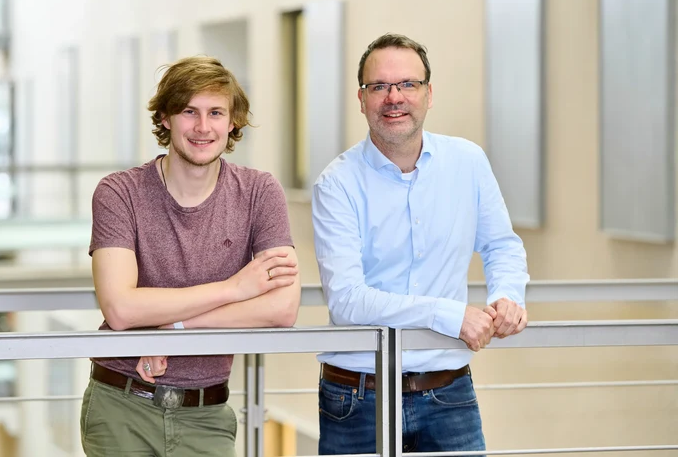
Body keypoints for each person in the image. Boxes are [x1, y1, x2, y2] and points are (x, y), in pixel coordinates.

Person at [311, 33, 529, 454]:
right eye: (380, 87)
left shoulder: (468, 162)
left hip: (448, 391)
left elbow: (501, 244)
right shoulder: (336, 184)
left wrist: (507, 295)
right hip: (356, 398)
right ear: (361, 98)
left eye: (408, 84)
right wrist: (449, 316)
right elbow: (347, 300)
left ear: (429, 94)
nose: (394, 97)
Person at [81, 55, 301, 457]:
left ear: (233, 120)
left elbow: (283, 307)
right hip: (121, 405)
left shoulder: (259, 193)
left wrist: (174, 327)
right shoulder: (118, 193)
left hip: (207, 414)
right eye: (189, 111)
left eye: (216, 112)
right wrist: (235, 288)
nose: (203, 127)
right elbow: (121, 310)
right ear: (165, 118)